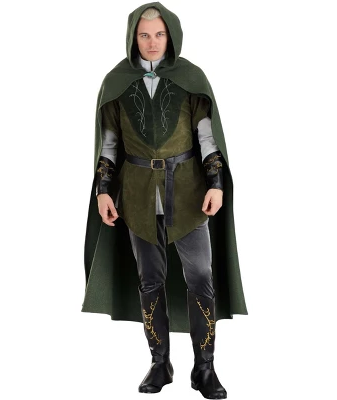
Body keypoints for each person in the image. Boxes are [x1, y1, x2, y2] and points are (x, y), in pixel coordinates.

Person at [82, 2, 248, 398]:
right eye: (144, 35)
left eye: (159, 34)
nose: (152, 42)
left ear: (170, 36)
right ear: (133, 38)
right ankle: (160, 362)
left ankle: (204, 368)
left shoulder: (191, 78)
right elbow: (109, 145)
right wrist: (104, 191)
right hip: (138, 195)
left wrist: (215, 183)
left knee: (201, 277)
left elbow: (207, 138)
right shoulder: (117, 82)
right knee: (149, 280)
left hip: (189, 192)